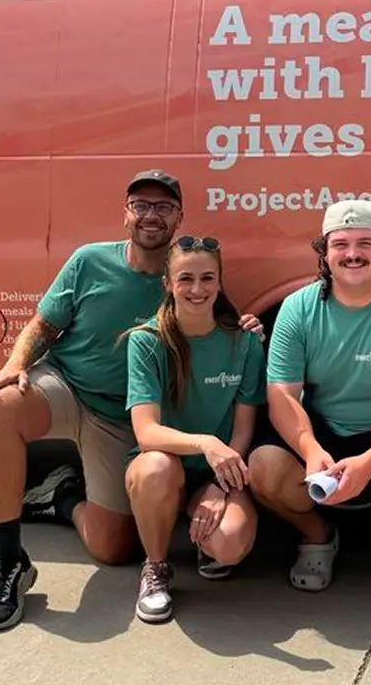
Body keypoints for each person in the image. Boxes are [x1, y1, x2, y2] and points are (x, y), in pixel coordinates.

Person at [0, 171, 261, 632]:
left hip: (123, 418)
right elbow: (44, 325)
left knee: (113, 549)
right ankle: (8, 563)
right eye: (140, 205)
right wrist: (15, 364)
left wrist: (247, 326)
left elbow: (219, 320)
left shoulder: (186, 270)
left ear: (179, 217)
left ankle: (63, 496)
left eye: (163, 207)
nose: (151, 215)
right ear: (125, 213)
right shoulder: (88, 260)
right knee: (1, 405)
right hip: (68, 386)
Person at [247, 199, 371, 600]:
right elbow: (282, 395)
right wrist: (309, 450)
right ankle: (317, 536)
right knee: (264, 469)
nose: (352, 254)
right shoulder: (298, 309)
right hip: (323, 429)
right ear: (324, 254)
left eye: (365, 243)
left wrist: (368, 464)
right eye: (340, 244)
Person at [124, 235, 266, 624]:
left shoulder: (244, 342)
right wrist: (205, 443)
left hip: (218, 472)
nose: (197, 289)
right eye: (185, 278)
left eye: (207, 278)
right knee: (155, 468)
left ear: (220, 282)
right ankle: (155, 567)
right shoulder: (147, 341)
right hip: (164, 466)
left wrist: (220, 486)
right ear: (168, 284)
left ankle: (205, 534)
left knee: (230, 544)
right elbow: (146, 433)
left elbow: (243, 429)